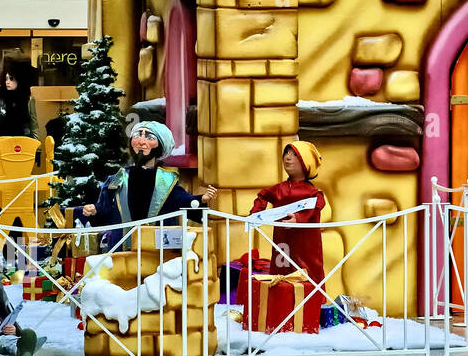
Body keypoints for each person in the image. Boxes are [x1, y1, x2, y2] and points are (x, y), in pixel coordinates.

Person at [80, 121, 217, 235]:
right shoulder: (117, 179)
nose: (141, 141)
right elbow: (106, 209)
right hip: (122, 248)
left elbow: (182, 201)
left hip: (157, 250)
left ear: (160, 146)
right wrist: (95, 210)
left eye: (149, 137)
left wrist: (201, 199)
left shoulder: (167, 181)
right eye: (137, 135)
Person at [249, 141, 327, 282]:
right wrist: (256, 214)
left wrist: (299, 218)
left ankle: (312, 302)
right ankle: (280, 302)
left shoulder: (313, 192)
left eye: (294, 154)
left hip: (306, 245)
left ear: (305, 161)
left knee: (308, 275)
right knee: (280, 275)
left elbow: (318, 204)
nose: (288, 157)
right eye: (286, 153)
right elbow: (262, 195)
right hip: (282, 244)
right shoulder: (279, 189)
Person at [0, 70, 37, 140]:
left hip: (23, 142)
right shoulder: (0, 98)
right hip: (3, 140)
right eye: (6, 79)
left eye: (11, 78)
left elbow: (34, 126)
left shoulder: (28, 99)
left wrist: (37, 148)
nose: (7, 82)